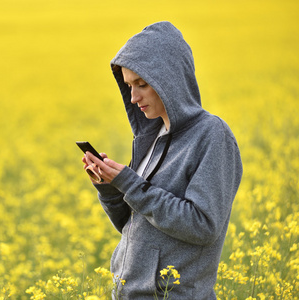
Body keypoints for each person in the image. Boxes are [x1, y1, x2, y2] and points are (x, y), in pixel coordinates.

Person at [82, 21, 243, 299]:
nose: (133, 97)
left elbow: (203, 225)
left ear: (169, 80)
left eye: (141, 84)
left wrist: (130, 184)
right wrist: (110, 187)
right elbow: (136, 224)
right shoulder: (153, 137)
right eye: (129, 85)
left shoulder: (212, 136)